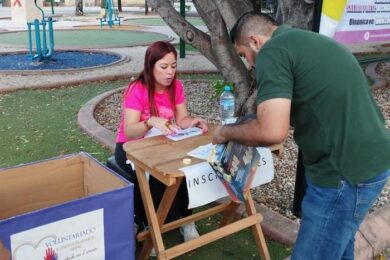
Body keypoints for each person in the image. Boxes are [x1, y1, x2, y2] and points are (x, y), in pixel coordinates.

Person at [212, 12, 390, 259]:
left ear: (255, 41)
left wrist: (224, 131)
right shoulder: (306, 41)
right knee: (338, 245)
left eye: (244, 56)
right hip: (371, 160)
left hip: (342, 172)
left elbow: (272, 131)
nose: (250, 65)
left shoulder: (272, 52)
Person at [115, 41, 208, 243]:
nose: (170, 73)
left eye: (173, 66)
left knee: (185, 168)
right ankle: (147, 223)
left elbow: (182, 120)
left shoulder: (176, 86)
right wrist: (149, 122)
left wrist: (193, 122)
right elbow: (130, 131)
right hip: (130, 147)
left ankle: (187, 220)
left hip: (162, 143)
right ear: (151, 66)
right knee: (154, 175)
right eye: (164, 67)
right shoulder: (137, 89)